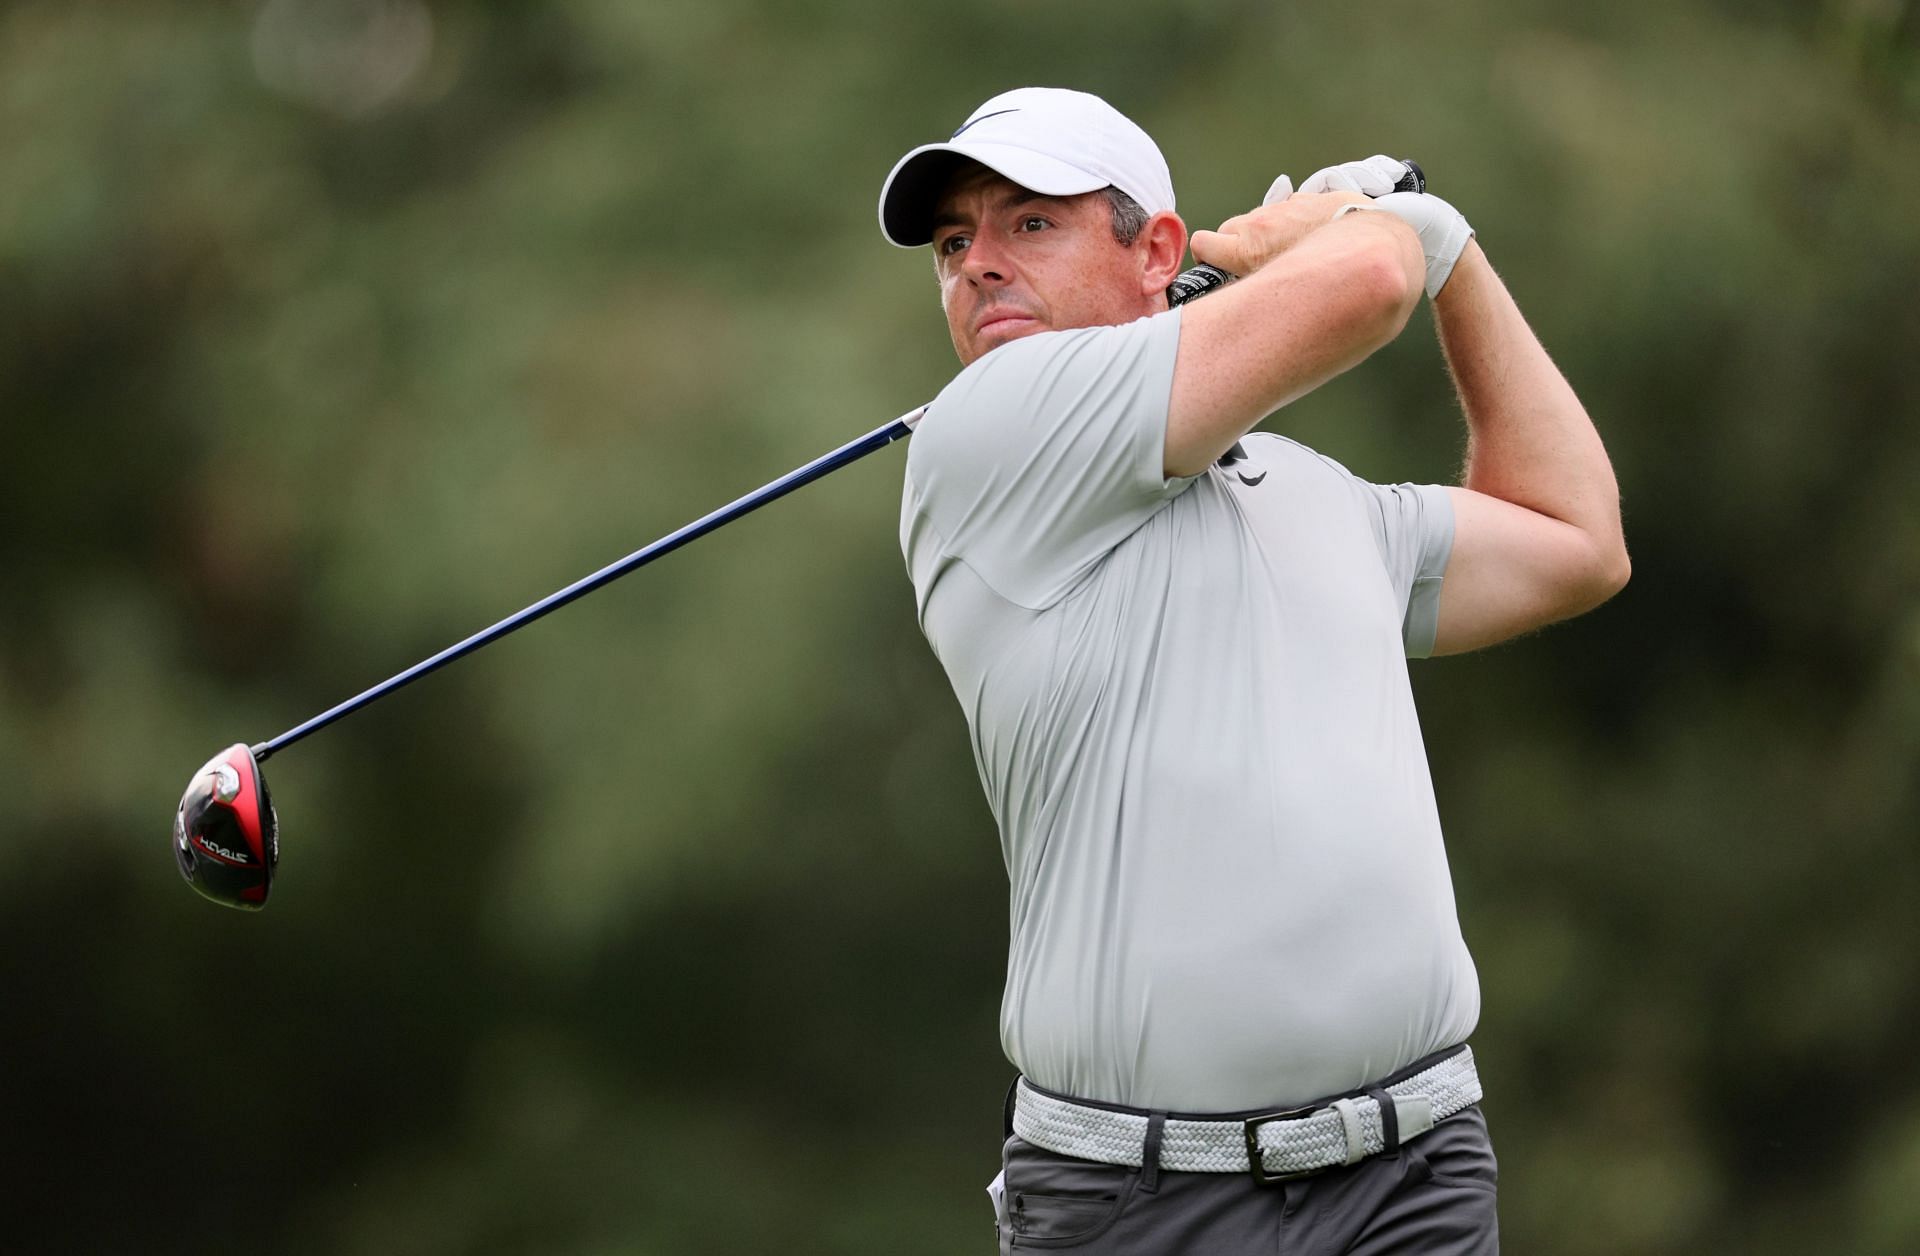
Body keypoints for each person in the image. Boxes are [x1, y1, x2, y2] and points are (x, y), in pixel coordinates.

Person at [878, 87, 1628, 1254]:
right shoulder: (985, 438)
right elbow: (1368, 285)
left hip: (1415, 1173)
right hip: (1147, 1200)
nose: (977, 265)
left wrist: (1458, 255)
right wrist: (1363, 238)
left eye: (1029, 224)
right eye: (952, 242)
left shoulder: (1308, 487)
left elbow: (1575, 539)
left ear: (1155, 252)